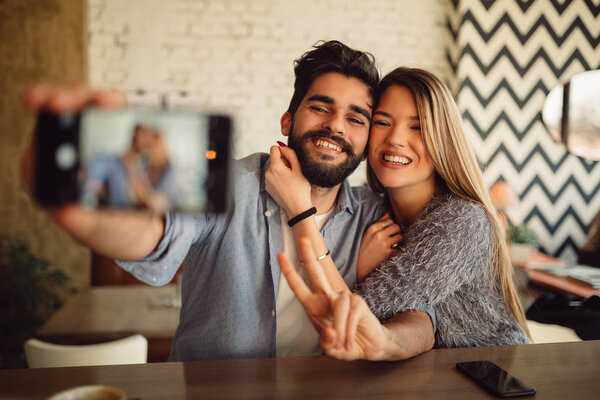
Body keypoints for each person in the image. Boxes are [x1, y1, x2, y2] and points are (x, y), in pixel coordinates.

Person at [22, 41, 436, 361]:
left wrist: (385, 341)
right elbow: (155, 234)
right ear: (288, 120)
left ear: (365, 143)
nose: (334, 126)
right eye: (320, 107)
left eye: (355, 118)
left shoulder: (375, 217)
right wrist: (96, 218)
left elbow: (420, 320)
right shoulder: (228, 185)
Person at [271, 67, 530, 360]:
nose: (395, 138)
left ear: (443, 140)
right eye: (382, 122)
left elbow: (358, 321)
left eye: (416, 127)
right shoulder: (374, 211)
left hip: (497, 372)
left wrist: (300, 210)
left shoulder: (461, 221)